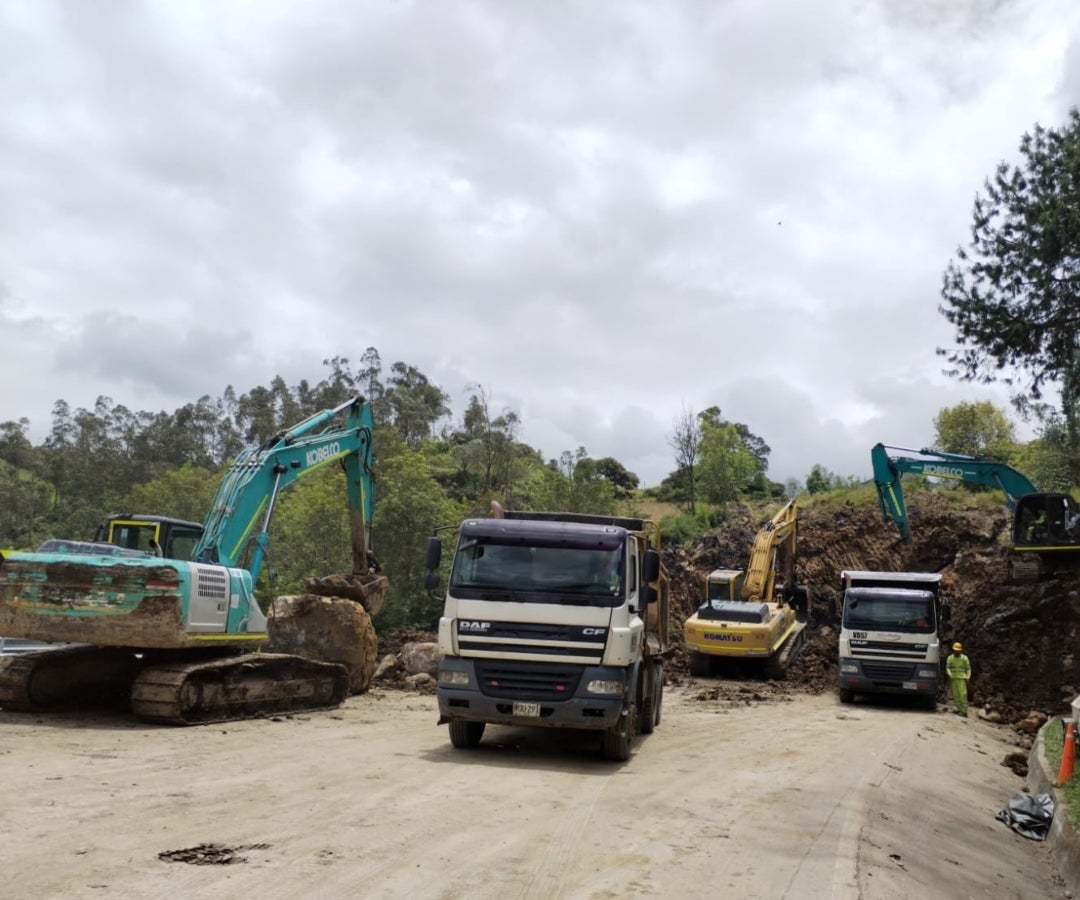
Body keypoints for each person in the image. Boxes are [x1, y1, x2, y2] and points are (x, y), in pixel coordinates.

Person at [946, 642, 971, 717]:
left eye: (958, 650)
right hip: (954, 679)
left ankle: (964, 711)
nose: (956, 651)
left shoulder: (965, 658)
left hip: (962, 679)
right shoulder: (950, 658)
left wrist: (968, 676)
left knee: (963, 694)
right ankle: (959, 710)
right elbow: (947, 668)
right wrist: (950, 674)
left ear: (960, 650)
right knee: (956, 695)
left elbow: (968, 669)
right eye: (955, 650)